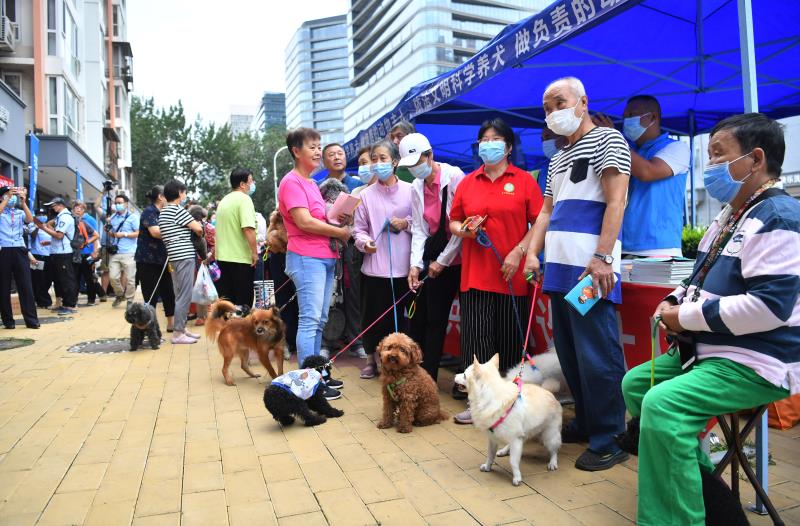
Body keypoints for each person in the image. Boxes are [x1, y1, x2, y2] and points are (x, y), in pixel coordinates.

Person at [622, 113, 799, 525]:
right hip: (712, 350)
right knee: (636, 384)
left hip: (755, 359)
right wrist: (670, 302)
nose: (711, 167)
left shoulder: (779, 217)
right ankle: (697, 482)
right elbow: (695, 279)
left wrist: (685, 317)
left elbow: (768, 307)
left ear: (755, 159)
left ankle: (677, 513)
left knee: (662, 405)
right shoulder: (728, 216)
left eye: (719, 156)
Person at [523, 77, 631, 471]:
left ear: (583, 102)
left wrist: (603, 256)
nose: (553, 113)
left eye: (559, 103)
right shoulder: (556, 159)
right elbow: (546, 212)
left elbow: (616, 200)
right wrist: (533, 254)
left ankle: (610, 437)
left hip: (591, 270)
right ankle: (587, 423)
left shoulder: (609, 140)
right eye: (547, 108)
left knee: (598, 354)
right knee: (571, 355)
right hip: (557, 268)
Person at [449, 118, 543, 424]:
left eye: (495, 139)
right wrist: (464, 230)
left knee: (511, 345)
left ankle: (513, 404)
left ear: (509, 146)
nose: (488, 144)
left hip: (511, 276)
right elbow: (453, 221)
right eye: (484, 140)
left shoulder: (525, 181)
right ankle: (476, 404)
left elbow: (540, 223)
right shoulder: (467, 182)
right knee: (477, 345)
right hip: (475, 275)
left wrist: (519, 252)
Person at [278, 127, 350, 400]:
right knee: (310, 321)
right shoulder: (291, 182)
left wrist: (339, 219)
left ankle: (316, 375)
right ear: (296, 151)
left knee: (319, 320)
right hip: (307, 257)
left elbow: (320, 218)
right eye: (313, 146)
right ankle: (308, 384)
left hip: (324, 256)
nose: (318, 151)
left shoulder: (310, 182)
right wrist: (339, 232)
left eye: (319, 146)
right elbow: (304, 222)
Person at [401, 133, 465, 388]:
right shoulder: (417, 187)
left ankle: (465, 381)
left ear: (430, 155)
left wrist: (444, 260)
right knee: (432, 320)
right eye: (411, 164)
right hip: (435, 260)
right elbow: (419, 228)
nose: (416, 168)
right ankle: (427, 380)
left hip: (461, 257)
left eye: (419, 161)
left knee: (470, 321)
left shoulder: (454, 177)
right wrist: (415, 265)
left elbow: (459, 226)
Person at [593, 95, 690, 257]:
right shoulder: (629, 149)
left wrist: (613, 138)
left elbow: (647, 172)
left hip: (659, 249)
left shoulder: (677, 148)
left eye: (632, 115)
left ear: (653, 117)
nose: (626, 120)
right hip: (621, 246)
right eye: (625, 117)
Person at [353, 140, 414, 379]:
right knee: (373, 318)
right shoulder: (365, 195)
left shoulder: (412, 190)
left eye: (383, 158)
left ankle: (405, 362)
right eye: (374, 159)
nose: (378, 164)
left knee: (403, 319)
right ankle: (371, 360)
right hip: (374, 269)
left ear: (395, 162)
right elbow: (358, 230)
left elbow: (421, 224)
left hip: (405, 269)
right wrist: (364, 242)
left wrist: (405, 223)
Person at [159, 179, 204, 345]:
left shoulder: (164, 211)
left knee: (179, 293)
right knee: (185, 294)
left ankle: (182, 328)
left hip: (173, 255)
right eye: (184, 192)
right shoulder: (177, 210)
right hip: (184, 255)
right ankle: (178, 333)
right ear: (179, 193)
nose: (185, 195)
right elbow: (198, 229)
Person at [214, 168, 258, 309]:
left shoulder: (224, 201)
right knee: (243, 303)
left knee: (228, 304)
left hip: (222, 258)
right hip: (240, 258)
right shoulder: (244, 200)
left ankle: (228, 330)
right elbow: (248, 228)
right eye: (251, 181)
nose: (252, 184)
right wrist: (255, 252)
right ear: (242, 184)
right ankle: (241, 330)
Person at [135, 185, 175, 332]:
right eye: (167, 196)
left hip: (163, 260)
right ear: (160, 197)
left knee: (168, 292)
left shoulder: (164, 212)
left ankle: (171, 323)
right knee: (150, 294)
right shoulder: (149, 212)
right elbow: (155, 232)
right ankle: (150, 327)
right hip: (147, 260)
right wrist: (175, 232)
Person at [0, 186, 39, 329]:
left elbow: (29, 220)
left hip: (19, 250)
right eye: (8, 194)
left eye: (13, 195)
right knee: (3, 286)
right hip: (3, 249)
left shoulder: (19, 212)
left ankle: (31, 320)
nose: (12, 197)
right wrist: (7, 198)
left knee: (25, 285)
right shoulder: (1, 211)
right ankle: (8, 321)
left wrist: (23, 202)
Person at [35, 197, 78, 314]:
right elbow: (60, 237)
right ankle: (63, 303)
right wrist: (49, 241)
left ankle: (70, 305)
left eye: (53, 206)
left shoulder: (65, 217)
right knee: (59, 280)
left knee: (67, 280)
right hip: (57, 252)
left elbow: (59, 235)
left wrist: (43, 228)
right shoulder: (60, 217)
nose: (52, 208)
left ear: (60, 205)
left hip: (63, 253)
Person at [107, 194, 139, 307]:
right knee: (113, 277)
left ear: (126, 204)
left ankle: (130, 300)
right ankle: (120, 295)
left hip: (129, 252)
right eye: (116, 203)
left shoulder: (133, 217)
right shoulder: (113, 217)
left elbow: (138, 233)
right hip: (115, 251)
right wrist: (109, 229)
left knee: (130, 279)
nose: (117, 205)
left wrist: (124, 234)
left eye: (120, 203)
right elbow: (112, 233)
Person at [71, 201, 100, 306]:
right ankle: (73, 300)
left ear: (84, 209)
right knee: (75, 277)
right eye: (76, 207)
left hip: (87, 252)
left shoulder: (89, 220)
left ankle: (91, 299)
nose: (78, 209)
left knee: (88, 277)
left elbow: (96, 236)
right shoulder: (71, 219)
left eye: (81, 208)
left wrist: (94, 251)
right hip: (74, 253)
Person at [27, 208, 53, 309]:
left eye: (43, 213)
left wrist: (45, 227)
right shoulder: (32, 225)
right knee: (38, 279)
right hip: (36, 256)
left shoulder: (49, 226)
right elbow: (32, 236)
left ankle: (40, 297)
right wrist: (37, 226)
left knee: (48, 279)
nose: (41, 215)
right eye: (39, 214)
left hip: (48, 256)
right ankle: (44, 301)